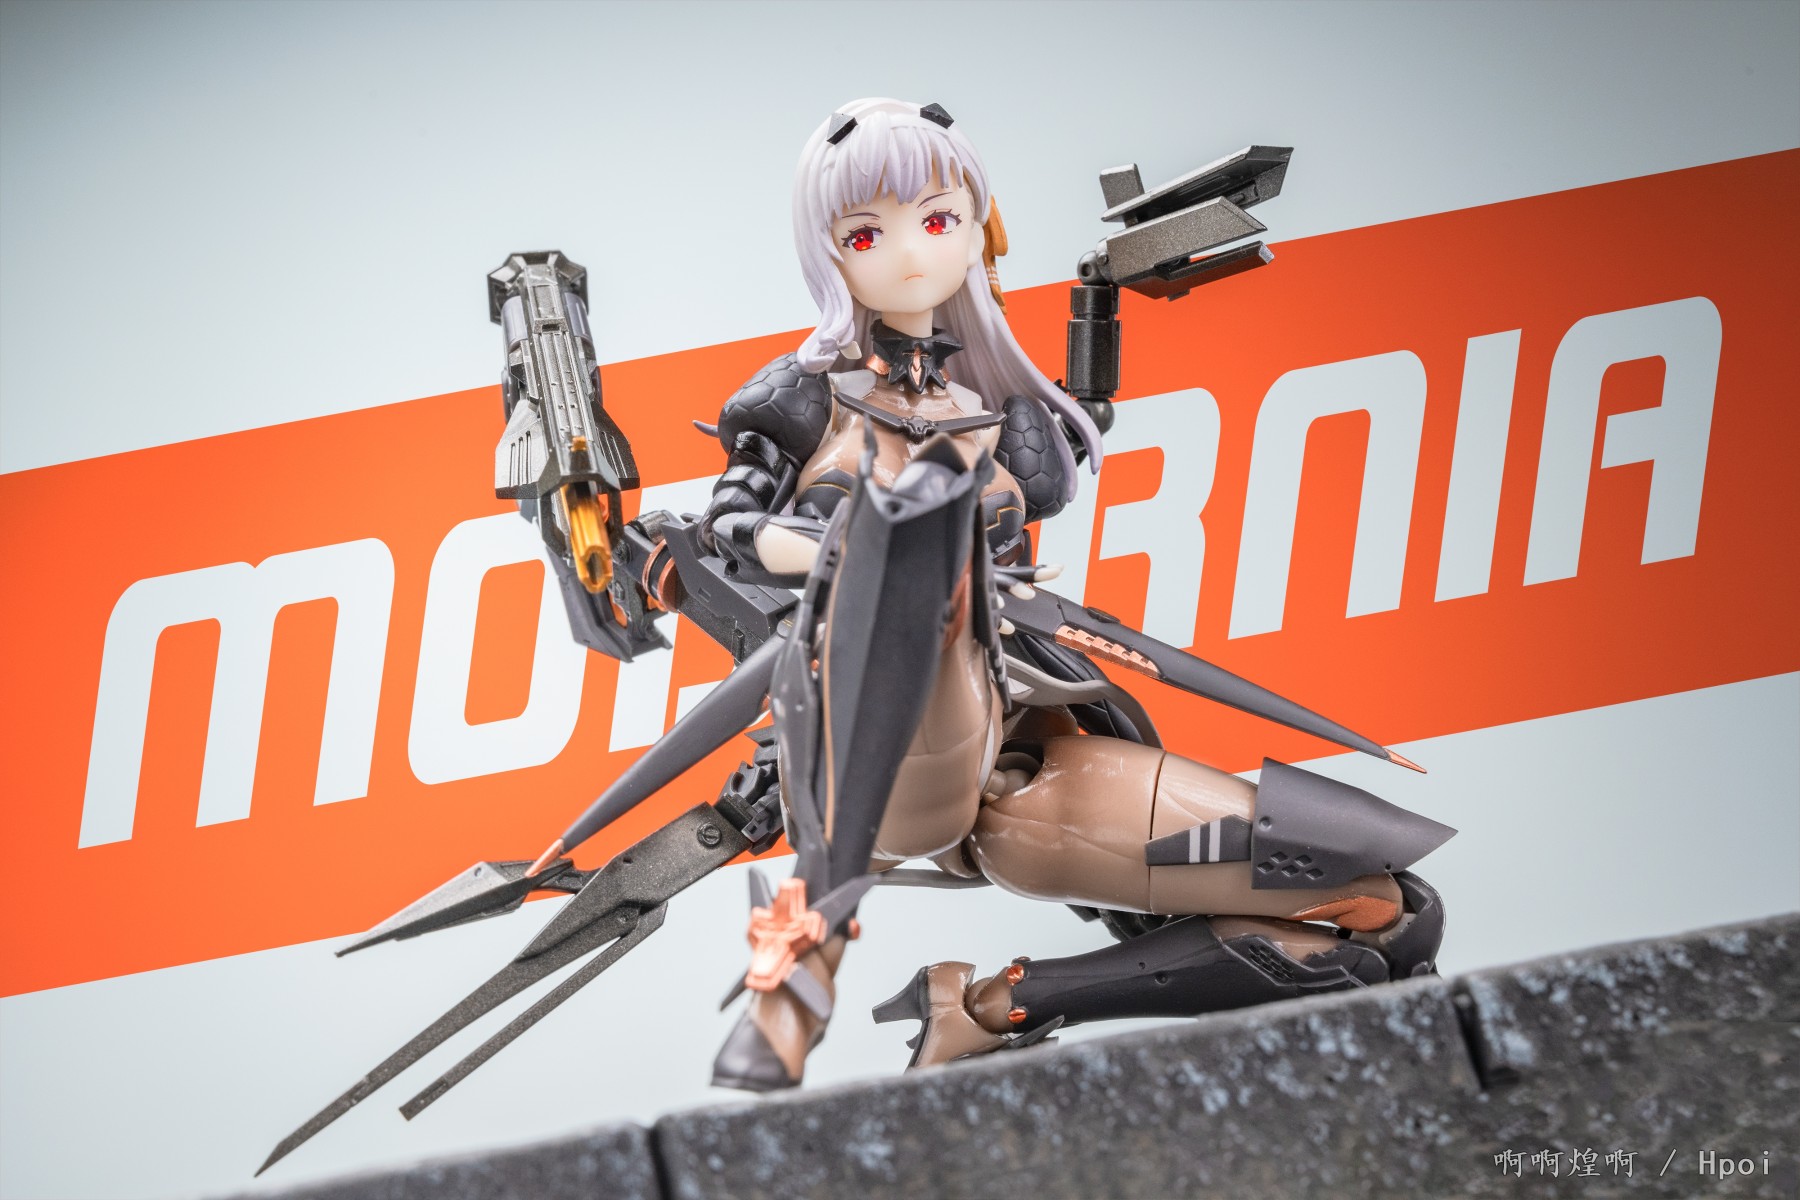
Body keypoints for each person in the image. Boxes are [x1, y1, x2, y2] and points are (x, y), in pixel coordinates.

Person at [698, 99, 1450, 1093]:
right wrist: (841, 549)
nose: (912, 252)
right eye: (868, 233)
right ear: (829, 251)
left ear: (978, 227)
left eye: (937, 219)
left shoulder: (1001, 415)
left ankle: (989, 1008)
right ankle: (791, 1001)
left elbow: (1075, 422)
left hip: (1028, 761)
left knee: (1384, 913)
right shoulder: (801, 402)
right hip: (882, 731)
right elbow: (729, 527)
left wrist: (1099, 297)